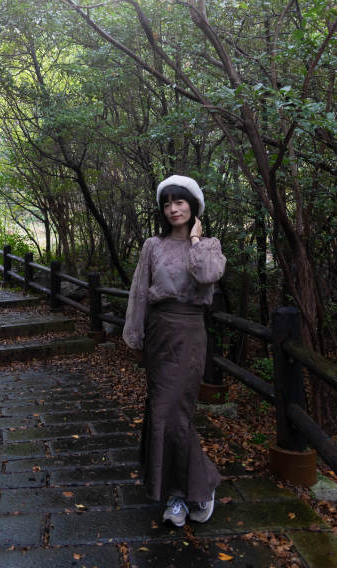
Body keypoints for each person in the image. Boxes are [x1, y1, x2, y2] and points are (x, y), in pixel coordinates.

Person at [123, 174, 226, 527]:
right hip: (159, 335)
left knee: (174, 415)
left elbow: (207, 275)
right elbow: (139, 292)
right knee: (160, 413)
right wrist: (135, 335)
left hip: (190, 334)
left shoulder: (209, 246)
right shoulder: (153, 245)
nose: (172, 209)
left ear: (193, 206)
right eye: (167, 203)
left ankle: (200, 485)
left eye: (179, 202)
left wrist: (195, 239)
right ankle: (176, 496)